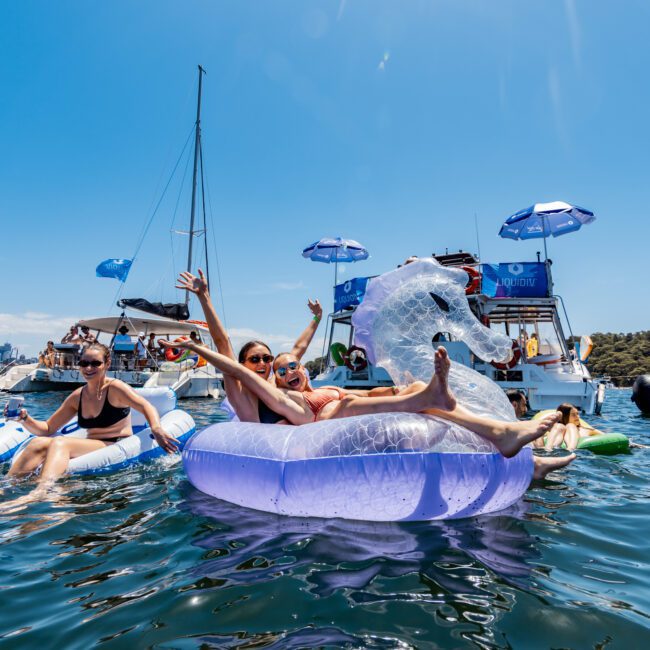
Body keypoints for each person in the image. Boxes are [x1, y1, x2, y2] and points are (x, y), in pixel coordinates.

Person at [164, 338, 562, 461]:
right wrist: (196, 344)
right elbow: (229, 360)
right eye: (267, 363)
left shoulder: (311, 385)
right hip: (323, 422)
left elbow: (365, 391)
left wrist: (395, 388)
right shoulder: (267, 393)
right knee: (351, 405)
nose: (277, 368)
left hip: (339, 403)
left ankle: (509, 441)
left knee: (408, 393)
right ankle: (441, 400)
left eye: (283, 363)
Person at [2, 342, 178, 505]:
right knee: (37, 442)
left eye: (95, 363)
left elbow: (146, 406)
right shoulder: (78, 395)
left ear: (107, 364)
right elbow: (48, 428)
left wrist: (156, 428)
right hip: (91, 444)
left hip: (115, 443)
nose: (88, 368)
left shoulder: (115, 388)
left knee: (61, 442)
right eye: (84, 363)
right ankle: (6, 487)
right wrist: (24, 418)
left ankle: (43, 490)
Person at [176, 269, 323, 424]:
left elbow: (299, 348)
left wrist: (317, 317)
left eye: (267, 358)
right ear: (242, 365)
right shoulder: (240, 392)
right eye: (254, 359)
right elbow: (222, 342)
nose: (262, 363)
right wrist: (203, 296)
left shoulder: (275, 382)